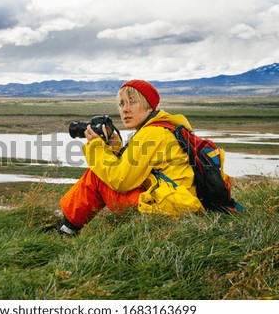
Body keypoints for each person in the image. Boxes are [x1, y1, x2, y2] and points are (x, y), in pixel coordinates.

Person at [59, 79, 204, 235]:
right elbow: (139, 169)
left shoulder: (151, 133)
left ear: (149, 106)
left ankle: (67, 230)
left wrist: (96, 146)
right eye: (121, 104)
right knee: (103, 172)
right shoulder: (164, 127)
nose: (125, 110)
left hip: (166, 210)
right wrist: (116, 147)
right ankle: (68, 226)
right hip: (177, 204)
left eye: (132, 102)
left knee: (97, 177)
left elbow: (121, 180)